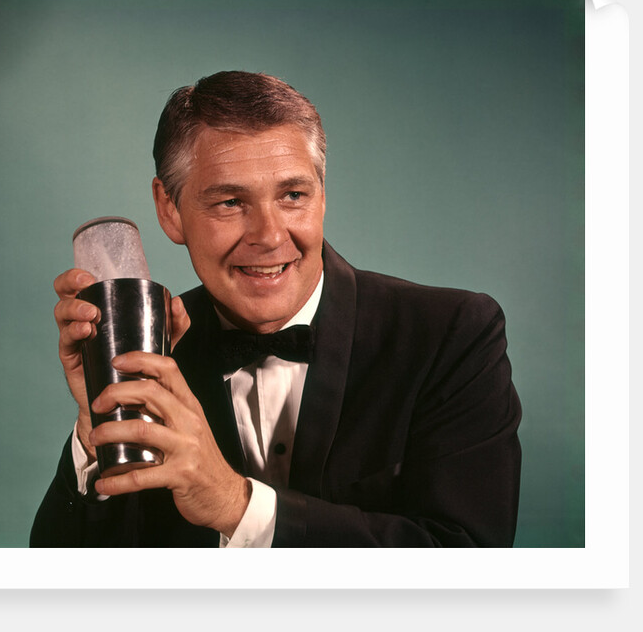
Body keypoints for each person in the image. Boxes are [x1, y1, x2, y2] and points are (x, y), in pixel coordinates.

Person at [30, 70, 522, 547]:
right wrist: (100, 432)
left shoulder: (453, 333)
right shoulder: (152, 356)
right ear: (169, 209)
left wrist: (235, 505)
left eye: (292, 195)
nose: (269, 236)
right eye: (229, 202)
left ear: (322, 196)